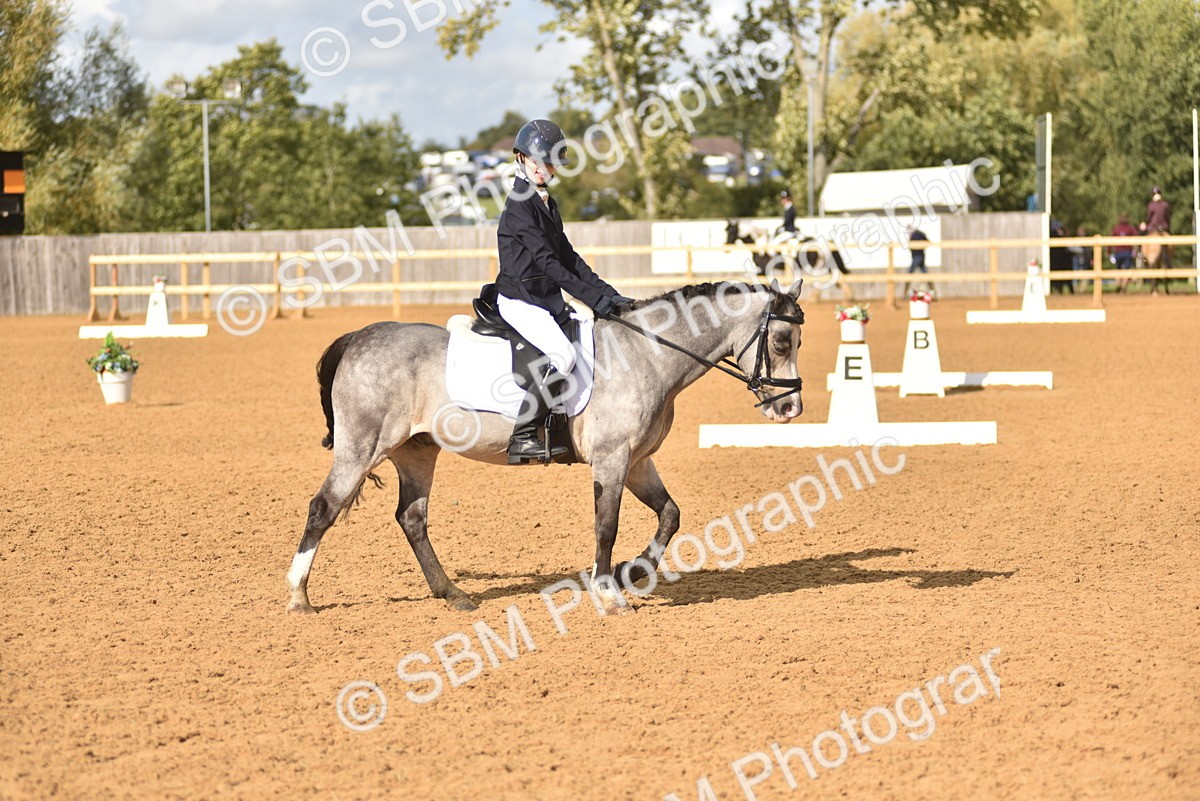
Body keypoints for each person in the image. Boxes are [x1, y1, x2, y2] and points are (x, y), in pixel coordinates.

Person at [491, 119, 634, 464]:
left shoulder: (545, 203)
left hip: (542, 298)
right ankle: (524, 435)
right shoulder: (518, 205)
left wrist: (610, 295)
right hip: (519, 299)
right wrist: (594, 300)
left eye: (551, 162)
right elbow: (548, 264)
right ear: (521, 158)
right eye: (538, 160)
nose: (545, 168)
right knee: (563, 356)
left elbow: (569, 258)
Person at [1109, 214, 1138, 292]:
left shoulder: (1116, 228)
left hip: (1118, 252)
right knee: (1126, 269)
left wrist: (1108, 251)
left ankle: (1118, 285)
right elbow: (1136, 237)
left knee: (1118, 269)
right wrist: (1135, 250)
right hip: (1127, 252)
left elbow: (1110, 240)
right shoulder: (1130, 228)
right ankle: (1123, 286)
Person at [901, 225, 929, 299]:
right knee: (926, 274)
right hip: (920, 256)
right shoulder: (919, 234)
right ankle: (933, 293)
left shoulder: (916, 235)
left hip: (917, 257)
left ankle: (904, 294)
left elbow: (926, 242)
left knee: (909, 273)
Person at [1049, 219, 1073, 293]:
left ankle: (1064, 291)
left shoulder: (1060, 235)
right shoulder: (1056, 235)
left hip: (1061, 261)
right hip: (1058, 261)